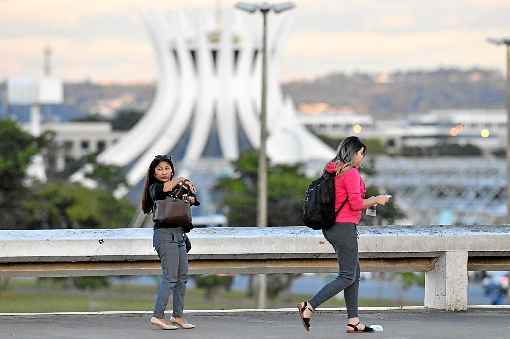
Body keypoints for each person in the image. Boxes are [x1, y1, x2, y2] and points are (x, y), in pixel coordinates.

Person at [297, 136, 391, 333]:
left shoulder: (332, 169)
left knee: (354, 274)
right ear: (353, 152)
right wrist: (377, 199)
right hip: (344, 227)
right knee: (347, 275)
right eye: (361, 154)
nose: (362, 158)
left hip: (332, 227)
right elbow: (356, 204)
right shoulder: (351, 173)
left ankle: (353, 321)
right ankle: (310, 306)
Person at [141, 154, 199, 330]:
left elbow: (193, 200)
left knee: (182, 278)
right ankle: (158, 316)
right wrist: (182, 179)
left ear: (172, 169)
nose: (164, 172)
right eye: (159, 169)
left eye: (167, 168)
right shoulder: (155, 188)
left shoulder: (176, 189)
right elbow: (166, 188)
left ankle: (178, 315)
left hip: (180, 235)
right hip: (165, 236)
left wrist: (189, 195)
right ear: (153, 172)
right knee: (170, 277)